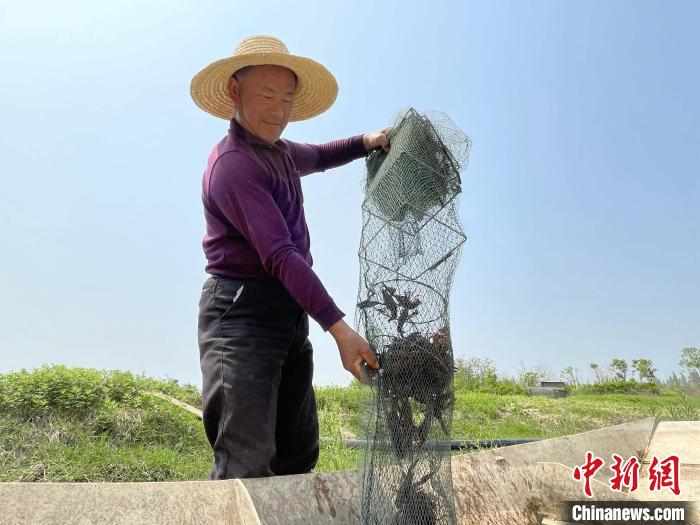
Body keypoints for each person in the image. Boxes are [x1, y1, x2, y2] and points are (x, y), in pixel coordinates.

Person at [190, 35, 388, 479]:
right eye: (266, 96)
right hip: (241, 315)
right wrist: (339, 329)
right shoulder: (235, 165)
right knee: (247, 458)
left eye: (287, 98)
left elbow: (320, 154)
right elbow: (281, 255)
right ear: (234, 92)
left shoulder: (280, 153)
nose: (279, 110)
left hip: (288, 314)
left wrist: (367, 140)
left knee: (298, 451)